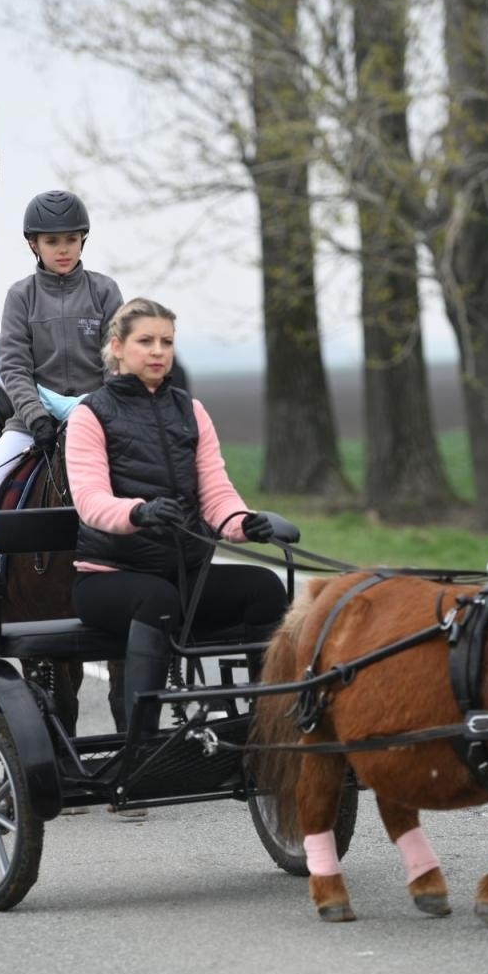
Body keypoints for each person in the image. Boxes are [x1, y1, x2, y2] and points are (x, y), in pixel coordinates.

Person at [66, 298, 287, 738]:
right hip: (109, 579)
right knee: (158, 599)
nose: (158, 351)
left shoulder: (192, 410)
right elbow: (90, 500)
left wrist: (245, 523)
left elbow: (217, 495)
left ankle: (268, 730)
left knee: (265, 587)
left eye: (166, 342)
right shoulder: (91, 413)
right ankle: (142, 747)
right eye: (145, 341)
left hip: (186, 575)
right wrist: (139, 512)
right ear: (118, 346)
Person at [0, 190, 122, 513]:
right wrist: (36, 418)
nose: (63, 249)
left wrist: (101, 412)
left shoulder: (105, 291)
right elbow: (14, 367)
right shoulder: (21, 296)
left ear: (83, 240)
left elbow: (117, 363)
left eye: (71, 239)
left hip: (99, 421)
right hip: (33, 426)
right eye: (52, 241)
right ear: (33, 244)